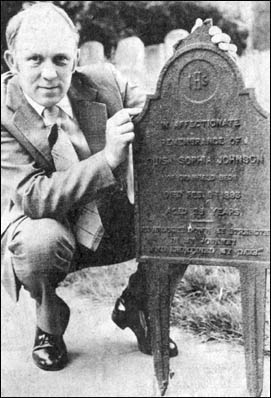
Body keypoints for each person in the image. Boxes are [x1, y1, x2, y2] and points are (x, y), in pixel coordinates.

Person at [1, 3, 237, 371]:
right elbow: (33, 196)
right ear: (11, 61)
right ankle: (49, 322)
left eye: (61, 60)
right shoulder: (3, 114)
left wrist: (207, 62)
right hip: (50, 228)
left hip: (111, 218)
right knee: (38, 243)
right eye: (34, 60)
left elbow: (170, 120)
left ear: (76, 58)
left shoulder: (105, 83)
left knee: (188, 209)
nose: (49, 74)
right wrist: (107, 159)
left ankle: (140, 304)